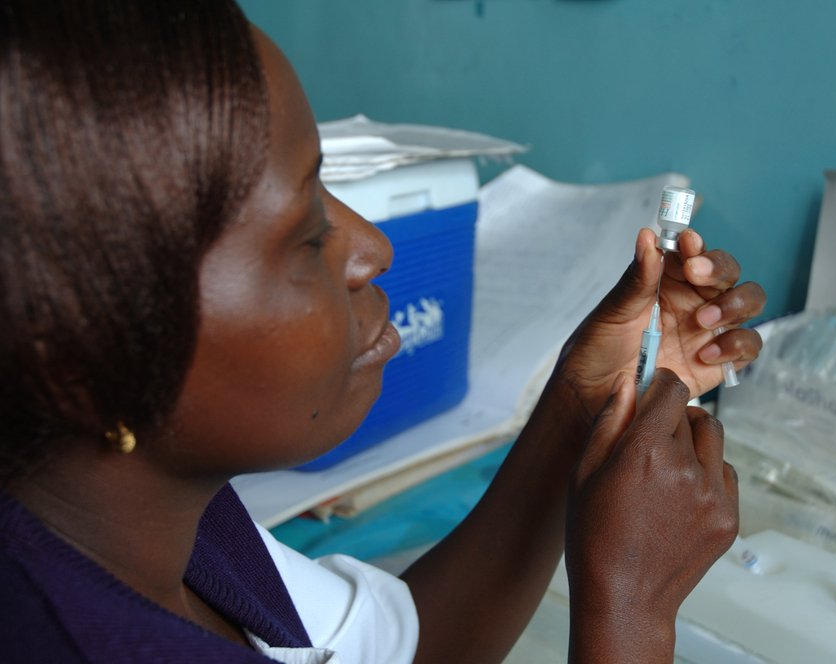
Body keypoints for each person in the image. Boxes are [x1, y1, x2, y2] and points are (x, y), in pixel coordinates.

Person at [0, 1, 765, 662]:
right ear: (78, 366)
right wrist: (627, 614)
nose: (373, 247)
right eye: (304, 234)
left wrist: (581, 402)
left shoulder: (150, 527)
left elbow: (397, 647)